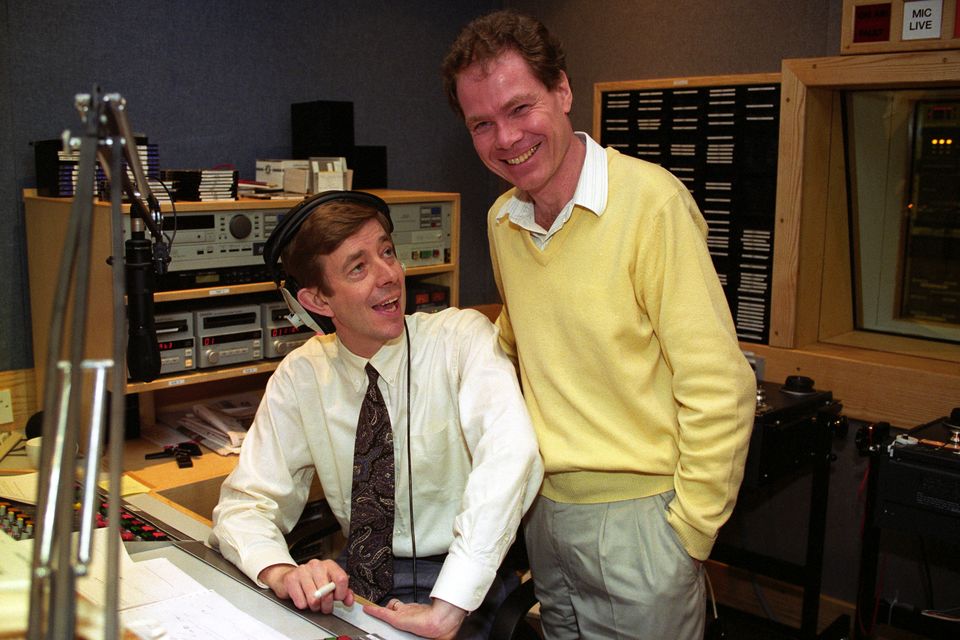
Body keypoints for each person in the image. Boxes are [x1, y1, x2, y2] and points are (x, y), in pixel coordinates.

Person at [442, 10, 756, 639]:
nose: (505, 139)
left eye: (519, 108)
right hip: (545, 515)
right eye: (482, 124)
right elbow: (520, 344)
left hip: (644, 522)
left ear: (562, 91)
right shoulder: (503, 219)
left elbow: (720, 385)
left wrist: (689, 535)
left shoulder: (651, 204)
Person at [209, 191, 544, 640]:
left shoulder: (460, 340)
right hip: (356, 583)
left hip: (460, 579)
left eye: (387, 252)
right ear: (317, 301)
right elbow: (245, 504)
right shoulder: (301, 375)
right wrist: (281, 571)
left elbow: (512, 452)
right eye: (358, 267)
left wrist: (450, 604)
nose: (389, 275)